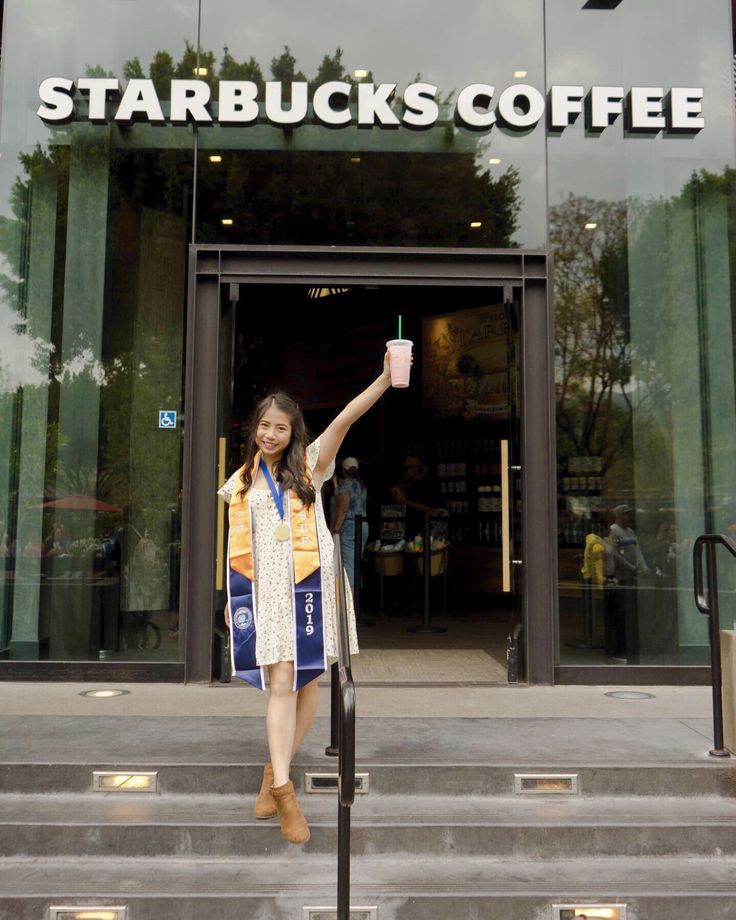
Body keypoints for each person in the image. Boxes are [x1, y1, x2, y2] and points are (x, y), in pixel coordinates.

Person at [219, 350, 395, 845]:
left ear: (293, 432)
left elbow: (345, 417)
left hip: (312, 586)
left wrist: (382, 378)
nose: (271, 435)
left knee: (310, 682)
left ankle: (271, 770)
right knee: (281, 683)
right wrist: (234, 604)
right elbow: (235, 546)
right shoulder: (242, 482)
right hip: (268, 590)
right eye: (264, 426)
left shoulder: (310, 466)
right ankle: (282, 789)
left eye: (280, 428)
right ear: (255, 427)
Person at [332, 457, 369, 593]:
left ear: (344, 470)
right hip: (363, 525)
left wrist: (335, 529)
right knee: (356, 562)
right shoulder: (362, 485)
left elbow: (343, 509)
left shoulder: (345, 485)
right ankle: (356, 598)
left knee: (348, 563)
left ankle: (350, 600)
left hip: (348, 526)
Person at [390, 456, 442, 540]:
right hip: (411, 525)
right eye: (404, 469)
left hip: (420, 525)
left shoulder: (425, 485)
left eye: (407, 468)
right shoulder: (410, 485)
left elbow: (428, 507)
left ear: (416, 468)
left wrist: (404, 501)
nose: (405, 472)